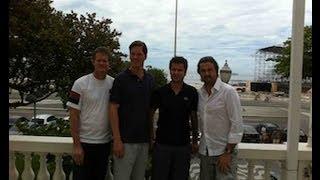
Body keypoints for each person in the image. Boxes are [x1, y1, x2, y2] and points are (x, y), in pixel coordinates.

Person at [109, 40, 155, 180]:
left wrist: (151, 136)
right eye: (132, 54)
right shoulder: (121, 79)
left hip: (143, 141)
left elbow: (150, 111)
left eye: (139, 54)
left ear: (145, 56)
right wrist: (117, 139)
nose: (135, 57)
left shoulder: (150, 79)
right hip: (125, 142)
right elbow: (112, 109)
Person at [67, 46, 114, 180]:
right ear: (93, 61)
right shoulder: (79, 84)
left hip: (104, 144)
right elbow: (73, 115)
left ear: (109, 63)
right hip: (84, 143)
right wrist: (76, 145)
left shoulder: (113, 84)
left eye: (105, 61)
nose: (102, 63)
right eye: (99, 60)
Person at [150, 56, 199, 180]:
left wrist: (194, 141)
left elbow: (194, 118)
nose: (176, 72)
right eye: (173, 69)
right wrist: (151, 138)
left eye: (179, 70)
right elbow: (149, 115)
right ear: (169, 70)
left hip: (183, 146)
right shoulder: (160, 92)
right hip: (162, 145)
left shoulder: (191, 92)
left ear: (185, 72)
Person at [197, 56, 243, 180]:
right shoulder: (199, 94)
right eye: (203, 71)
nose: (207, 73)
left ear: (216, 72)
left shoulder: (228, 92)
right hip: (205, 152)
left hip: (223, 154)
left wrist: (228, 153)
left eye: (210, 70)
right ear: (199, 74)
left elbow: (237, 125)